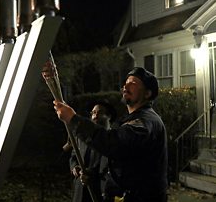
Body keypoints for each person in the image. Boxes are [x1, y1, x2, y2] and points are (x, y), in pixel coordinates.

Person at [54, 67, 168, 201]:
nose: (125, 85)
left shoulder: (145, 121)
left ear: (148, 94)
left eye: (133, 83)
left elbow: (114, 144)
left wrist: (73, 119)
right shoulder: (133, 120)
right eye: (126, 82)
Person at [70, 101, 117, 202]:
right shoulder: (82, 137)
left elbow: (112, 168)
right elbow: (74, 156)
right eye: (93, 113)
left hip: (99, 192)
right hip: (80, 190)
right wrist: (75, 168)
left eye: (99, 113)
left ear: (109, 116)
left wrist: (92, 174)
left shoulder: (112, 139)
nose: (95, 116)